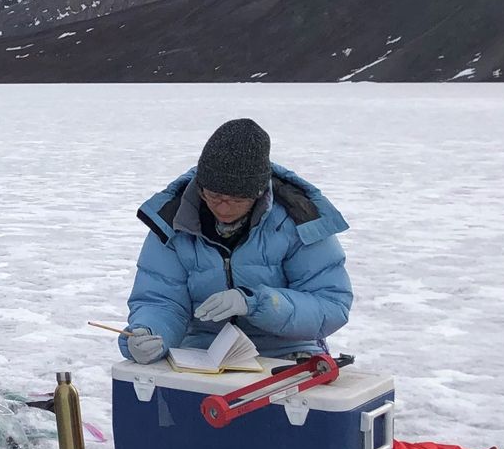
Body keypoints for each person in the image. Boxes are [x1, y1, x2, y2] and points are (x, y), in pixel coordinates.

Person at [121, 118, 352, 364]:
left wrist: (257, 302)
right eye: (214, 196)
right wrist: (150, 332)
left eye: (237, 200)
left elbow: (331, 305)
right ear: (200, 187)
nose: (223, 208)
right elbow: (160, 300)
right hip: (203, 354)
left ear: (259, 193)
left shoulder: (300, 221)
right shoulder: (172, 222)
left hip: (287, 353)